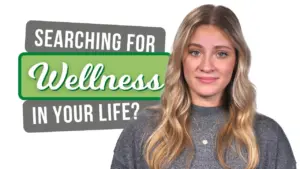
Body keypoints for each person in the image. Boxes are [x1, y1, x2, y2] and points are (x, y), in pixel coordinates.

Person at [110, 4, 297, 169]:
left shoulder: (267, 135)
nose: (206, 66)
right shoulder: (143, 130)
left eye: (221, 54)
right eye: (195, 52)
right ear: (180, 59)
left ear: (237, 60)